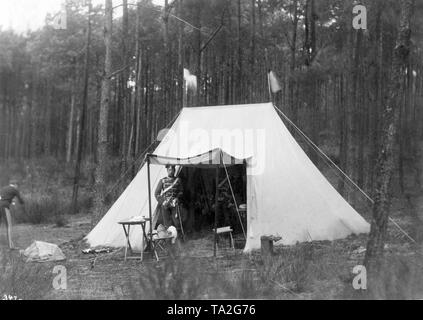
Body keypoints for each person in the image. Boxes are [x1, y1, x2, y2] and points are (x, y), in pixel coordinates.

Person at [0, 179, 25, 249]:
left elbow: (2, 197)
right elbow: (20, 200)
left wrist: (10, 201)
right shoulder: (14, 190)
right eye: (17, 186)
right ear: (15, 185)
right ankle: (11, 246)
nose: (17, 187)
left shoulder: (3, 188)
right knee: (9, 225)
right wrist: (23, 203)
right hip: (4, 207)